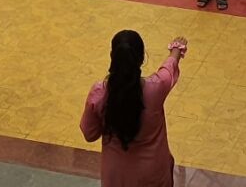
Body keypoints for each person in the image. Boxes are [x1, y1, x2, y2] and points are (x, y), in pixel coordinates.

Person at [80, 30, 187, 187]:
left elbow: (90, 134)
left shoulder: (99, 93)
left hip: (116, 176)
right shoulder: (156, 88)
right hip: (154, 174)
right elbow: (168, 70)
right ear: (142, 58)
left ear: (112, 56)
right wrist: (176, 50)